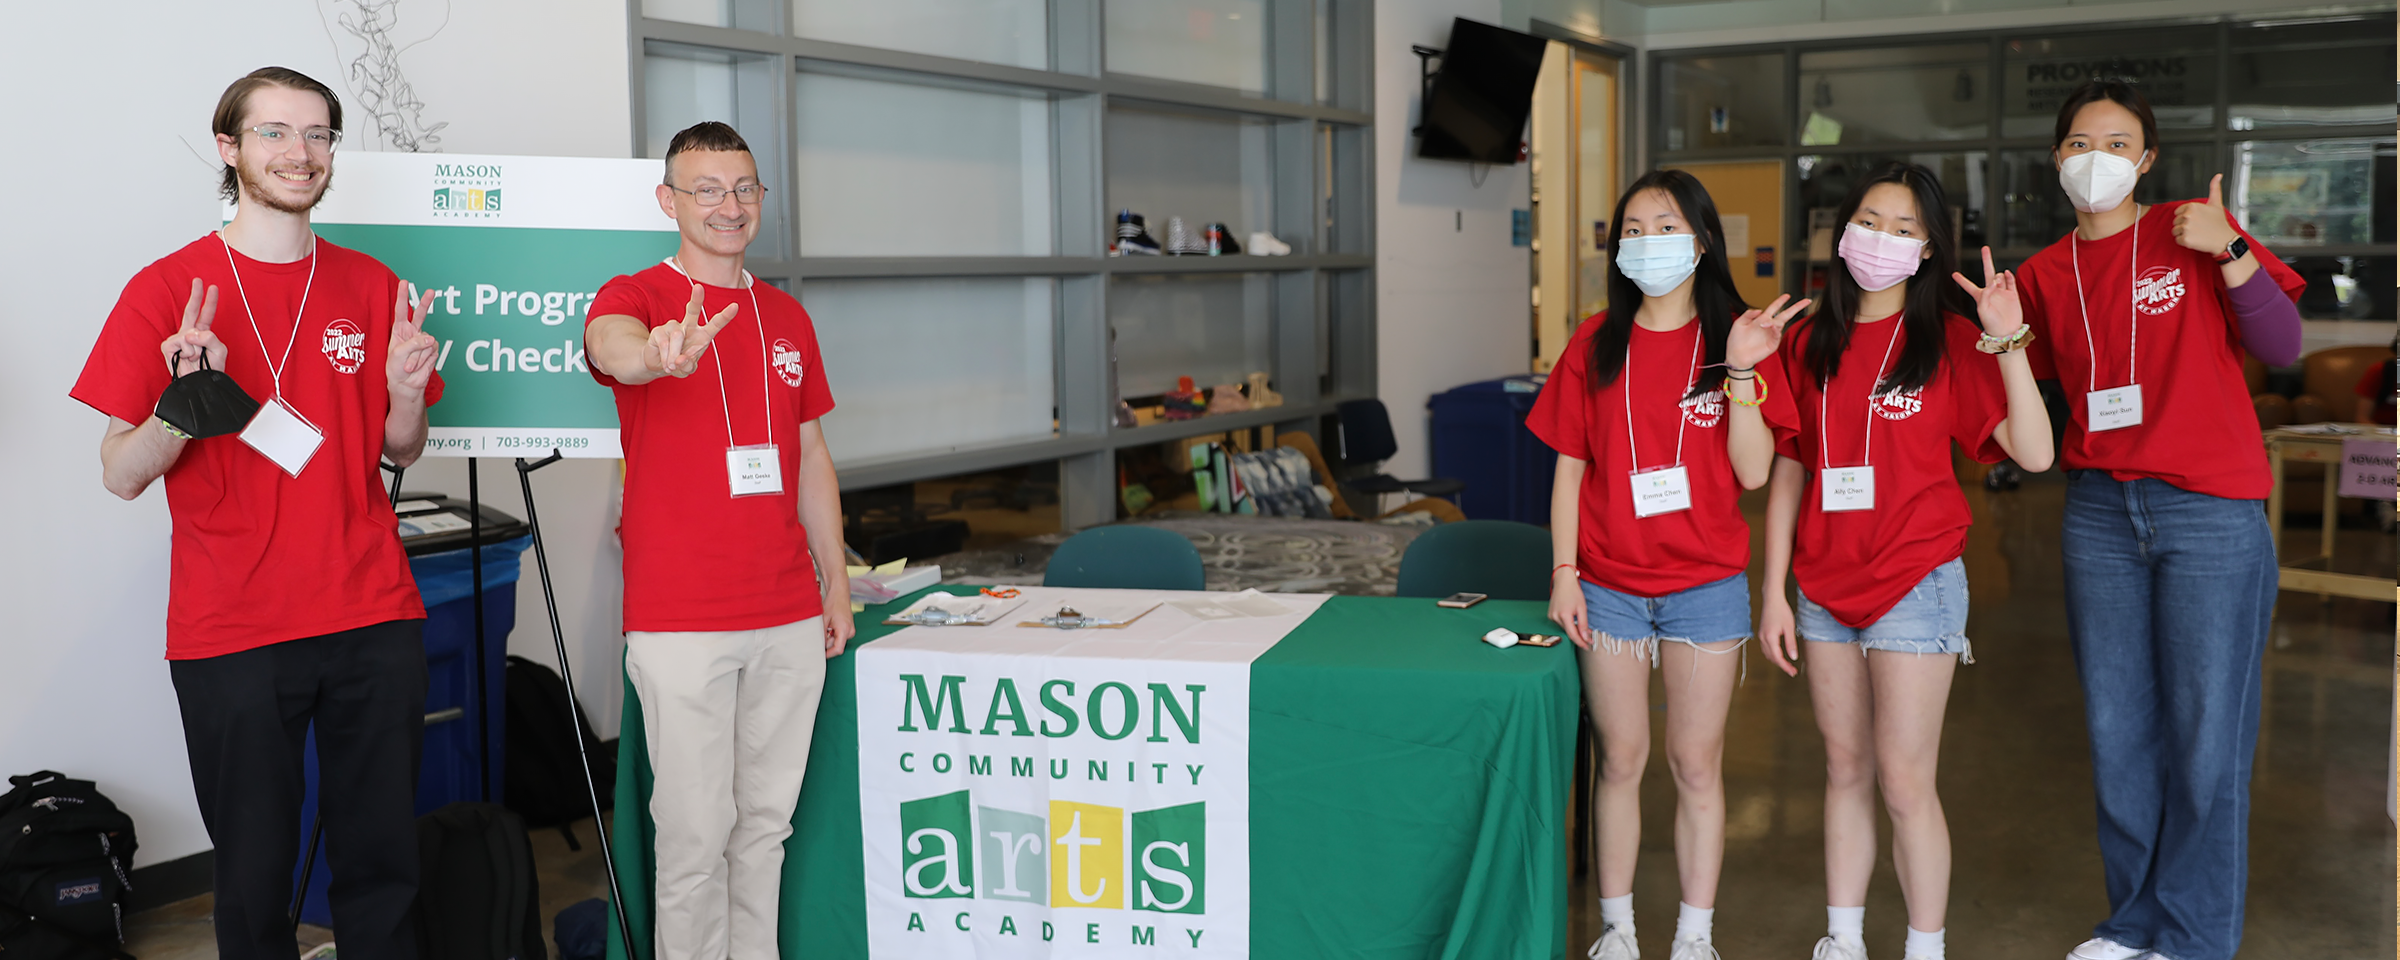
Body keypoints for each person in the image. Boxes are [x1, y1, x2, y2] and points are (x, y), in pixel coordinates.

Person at [70, 67, 442, 960]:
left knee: (383, 862)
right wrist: (181, 403)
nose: (298, 153)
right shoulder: (167, 289)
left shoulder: (371, 283)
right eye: (274, 132)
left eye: (316, 134)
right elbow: (120, 473)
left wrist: (404, 394)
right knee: (252, 873)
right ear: (229, 147)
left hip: (370, 609)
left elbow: (400, 449)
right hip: (232, 626)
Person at [1990, 78, 2304, 960]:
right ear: (2057, 158)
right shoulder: (2044, 274)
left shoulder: (2191, 230)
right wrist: (2001, 332)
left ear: (2148, 159)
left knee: (2207, 738)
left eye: (2118, 143)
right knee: (2117, 731)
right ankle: (2132, 925)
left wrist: (2231, 248)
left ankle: (2194, 937)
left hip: (2209, 511)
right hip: (2099, 512)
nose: (2097, 159)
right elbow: (2024, 395)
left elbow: (2283, 346)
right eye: (2080, 143)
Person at [1750, 162, 2055, 960]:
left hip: (1916, 583)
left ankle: (1925, 949)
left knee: (1905, 779)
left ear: (1928, 249)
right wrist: (1773, 590)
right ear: (1841, 232)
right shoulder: (1808, 340)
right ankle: (1843, 939)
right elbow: (1790, 468)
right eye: (1869, 221)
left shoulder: (1949, 342)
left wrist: (2008, 338)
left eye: (1904, 228)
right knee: (1844, 767)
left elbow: (2035, 452)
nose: (1881, 238)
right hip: (1822, 586)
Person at [582, 120, 853, 960]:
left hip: (787, 612)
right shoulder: (636, 297)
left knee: (765, 829)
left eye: (742, 189)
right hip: (683, 619)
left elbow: (810, 455)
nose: (728, 206)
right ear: (669, 201)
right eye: (706, 190)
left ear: (761, 198)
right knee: (695, 839)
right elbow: (611, 349)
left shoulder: (787, 316)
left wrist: (836, 583)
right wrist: (658, 354)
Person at [1530, 169, 1810, 960]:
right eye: (1633, 229)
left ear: (1703, 241)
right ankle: (1617, 930)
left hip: (1705, 587)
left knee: (1695, 765)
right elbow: (1569, 470)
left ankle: (1694, 936)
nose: (1647, 242)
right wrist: (1563, 571)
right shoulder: (1594, 343)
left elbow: (1753, 471)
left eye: (1666, 226)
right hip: (1609, 585)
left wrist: (1744, 371)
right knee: (1620, 760)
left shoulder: (1738, 339)